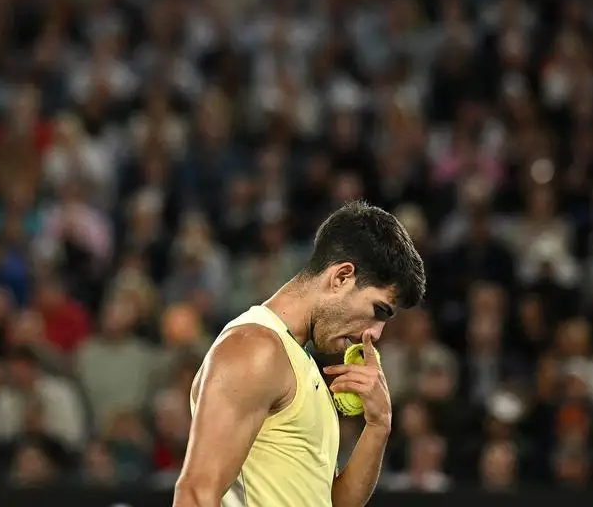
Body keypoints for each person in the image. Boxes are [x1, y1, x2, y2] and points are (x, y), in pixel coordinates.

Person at [173, 201, 426, 507]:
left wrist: (378, 425)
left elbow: (333, 503)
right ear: (342, 277)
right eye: (378, 311)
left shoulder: (298, 360)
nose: (374, 334)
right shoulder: (255, 348)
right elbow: (195, 495)